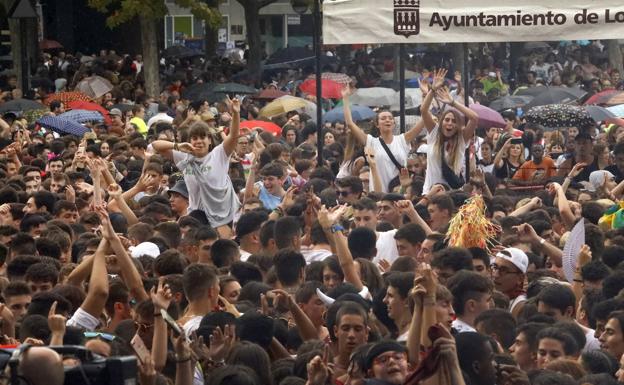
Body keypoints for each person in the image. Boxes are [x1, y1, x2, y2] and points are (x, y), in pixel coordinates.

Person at [152, 97, 241, 236]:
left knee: (220, 249)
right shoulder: (185, 158)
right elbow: (156, 146)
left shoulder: (219, 154)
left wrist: (236, 114)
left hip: (222, 216)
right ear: (190, 141)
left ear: (209, 140)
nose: (199, 141)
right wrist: (178, 145)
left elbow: (234, 136)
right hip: (196, 215)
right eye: (194, 138)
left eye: (202, 137)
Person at [342, 86, 426, 193]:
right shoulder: (371, 141)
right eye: (383, 118)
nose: (388, 120)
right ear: (377, 124)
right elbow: (350, 123)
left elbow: (423, 121)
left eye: (390, 118)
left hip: (398, 192)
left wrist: (425, 96)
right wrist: (345, 98)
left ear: (394, 123)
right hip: (378, 193)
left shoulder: (402, 140)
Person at [420, 68, 479, 193]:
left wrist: (453, 103)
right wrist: (433, 89)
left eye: (453, 121)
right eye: (447, 120)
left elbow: (474, 118)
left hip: (452, 194)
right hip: (430, 192)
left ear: (458, 125)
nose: (450, 123)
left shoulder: (462, 139)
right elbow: (424, 110)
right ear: (441, 122)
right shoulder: (434, 133)